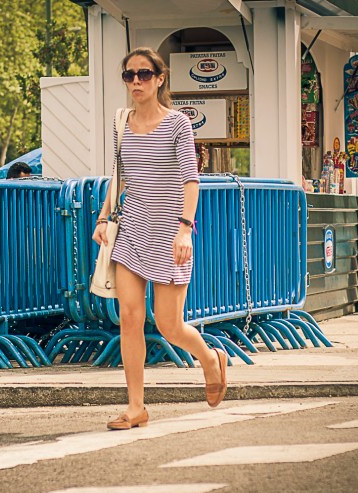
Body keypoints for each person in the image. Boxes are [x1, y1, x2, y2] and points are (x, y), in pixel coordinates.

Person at [92, 47, 227, 431]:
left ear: (160, 78)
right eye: (129, 75)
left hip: (170, 233)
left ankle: (209, 358)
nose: (136, 81)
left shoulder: (178, 124)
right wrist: (104, 218)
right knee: (129, 318)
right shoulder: (121, 123)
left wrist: (185, 228)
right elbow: (120, 180)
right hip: (132, 230)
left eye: (144, 74)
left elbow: (191, 180)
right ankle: (136, 407)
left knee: (168, 324)